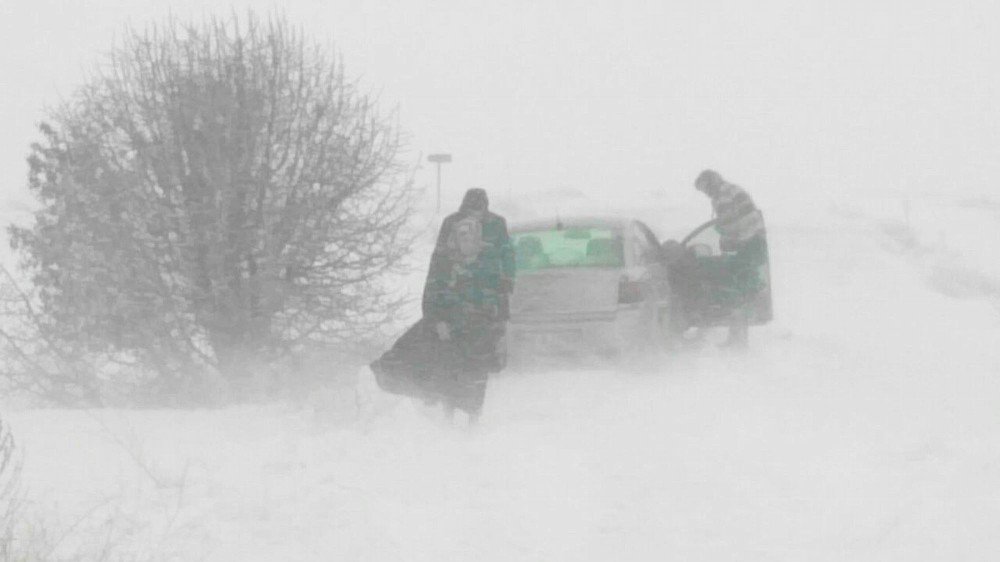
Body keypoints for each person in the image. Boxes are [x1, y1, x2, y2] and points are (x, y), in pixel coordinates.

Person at [422, 188, 515, 421]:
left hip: (471, 309)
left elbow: (507, 259)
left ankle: (463, 413)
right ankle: (460, 412)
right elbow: (437, 269)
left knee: (467, 363)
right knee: (464, 363)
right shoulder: (485, 225)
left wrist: (432, 310)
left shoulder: (484, 226)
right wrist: (433, 314)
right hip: (469, 310)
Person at [693, 169, 767, 348]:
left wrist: (724, 235)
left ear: (711, 183)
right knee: (741, 294)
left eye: (704, 188)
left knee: (737, 294)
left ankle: (738, 342)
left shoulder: (723, 196)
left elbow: (728, 223)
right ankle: (738, 340)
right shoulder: (731, 189)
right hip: (754, 243)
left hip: (748, 245)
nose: (705, 193)